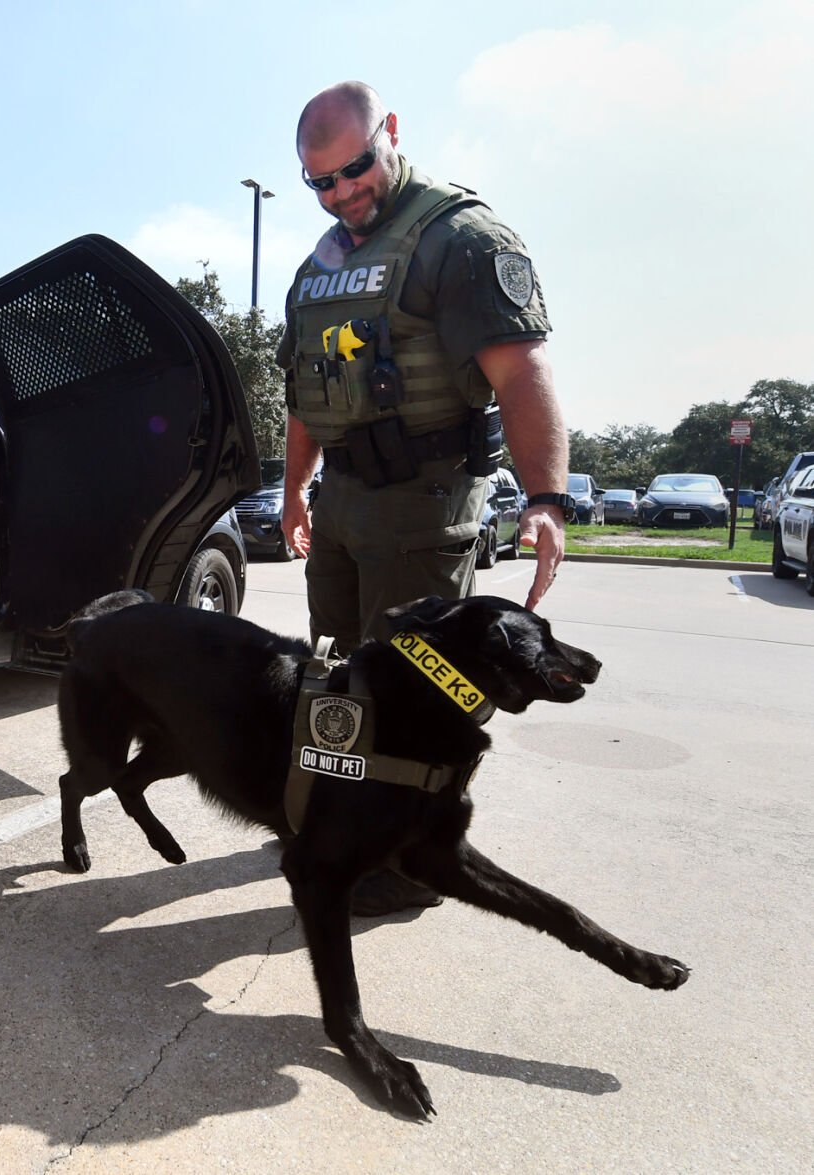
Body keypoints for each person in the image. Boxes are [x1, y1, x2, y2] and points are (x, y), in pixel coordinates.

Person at [275, 81, 572, 916]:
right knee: (336, 673)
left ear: (390, 133)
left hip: (422, 497)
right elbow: (305, 397)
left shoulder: (460, 239)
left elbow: (520, 370)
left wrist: (546, 495)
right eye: (320, 182)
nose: (340, 192)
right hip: (341, 502)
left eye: (354, 168)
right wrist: (295, 496)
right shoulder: (317, 266)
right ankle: (337, 826)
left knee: (416, 691)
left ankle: (410, 862)